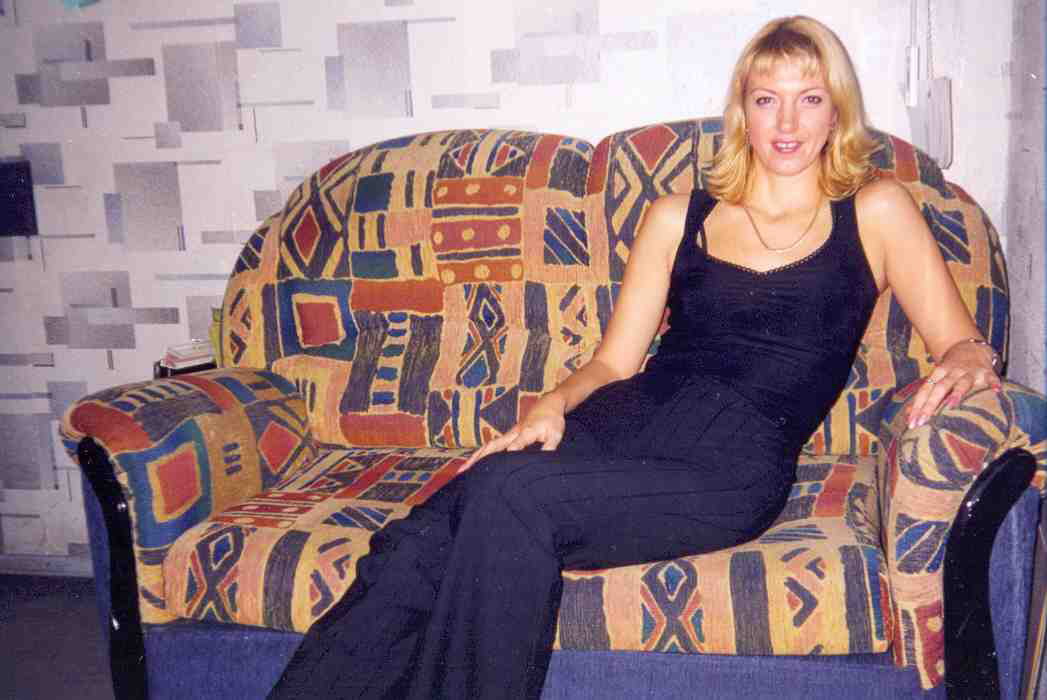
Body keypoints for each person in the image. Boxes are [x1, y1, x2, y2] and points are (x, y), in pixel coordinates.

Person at [269, 15, 1001, 700]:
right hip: (624, 418)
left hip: (730, 459)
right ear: (741, 112)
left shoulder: (875, 210)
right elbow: (615, 364)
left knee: (510, 495)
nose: (786, 123)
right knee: (415, 540)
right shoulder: (678, 216)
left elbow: (959, 341)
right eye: (766, 99)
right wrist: (551, 404)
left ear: (836, 112)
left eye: (808, 99)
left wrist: (973, 356)